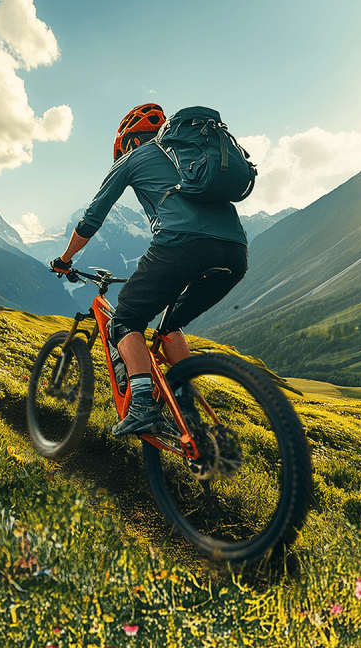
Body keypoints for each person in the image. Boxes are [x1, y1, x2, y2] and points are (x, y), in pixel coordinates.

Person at [51, 103, 248, 437]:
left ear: (129, 142)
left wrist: (65, 259)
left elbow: (91, 219)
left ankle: (142, 407)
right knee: (169, 326)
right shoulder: (192, 155)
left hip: (181, 245)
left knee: (125, 321)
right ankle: (186, 409)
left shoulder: (132, 158)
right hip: (235, 253)